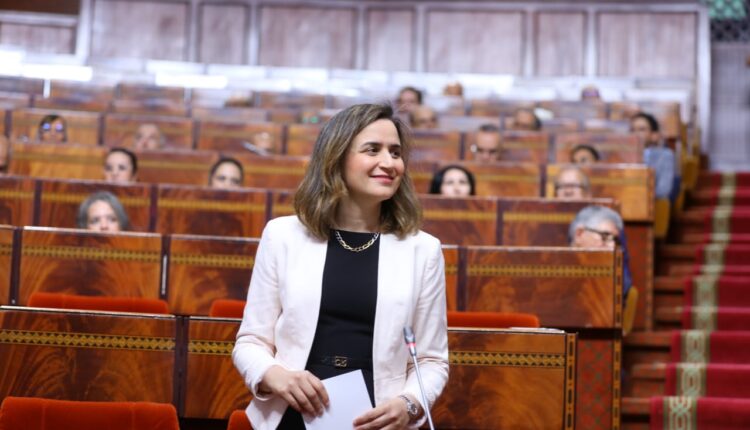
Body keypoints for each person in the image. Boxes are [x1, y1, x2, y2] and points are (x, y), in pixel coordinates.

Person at [232, 103, 449, 430]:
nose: (389, 163)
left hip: (378, 420)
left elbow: (432, 361)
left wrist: (409, 404)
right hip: (292, 413)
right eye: (372, 150)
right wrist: (275, 375)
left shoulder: (423, 250)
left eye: (395, 152)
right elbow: (250, 342)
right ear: (336, 157)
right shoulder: (282, 235)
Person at [569, 205, 632, 301]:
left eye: (615, 240)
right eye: (605, 236)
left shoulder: (617, 276)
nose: (612, 246)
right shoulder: (553, 270)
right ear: (579, 234)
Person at [630, 112, 675, 199]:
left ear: (654, 135)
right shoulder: (620, 155)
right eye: (632, 130)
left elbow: (663, 190)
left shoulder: (665, 155)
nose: (636, 133)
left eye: (641, 129)